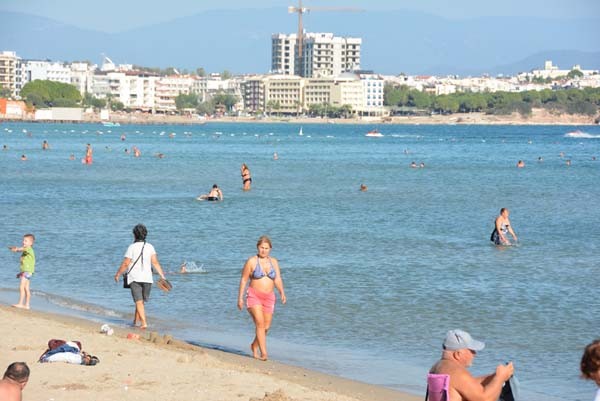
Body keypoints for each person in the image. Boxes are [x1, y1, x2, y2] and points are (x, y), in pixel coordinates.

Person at [429, 329, 514, 401]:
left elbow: (467, 384)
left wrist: (495, 376)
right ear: (458, 354)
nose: (474, 353)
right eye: (471, 350)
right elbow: (485, 399)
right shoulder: (456, 372)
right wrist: (500, 378)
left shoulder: (438, 367)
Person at [237, 236, 286, 361]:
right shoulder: (252, 261)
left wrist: (282, 292)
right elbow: (244, 279)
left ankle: (254, 345)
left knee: (266, 327)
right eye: (261, 248)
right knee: (260, 323)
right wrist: (240, 298)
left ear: (270, 249)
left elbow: (277, 279)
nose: (263, 250)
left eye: (266, 248)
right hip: (254, 296)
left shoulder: (274, 262)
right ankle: (264, 353)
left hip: (269, 297)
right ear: (257, 248)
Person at [114, 224, 166, 329]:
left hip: (135, 278)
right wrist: (162, 276)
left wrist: (118, 274)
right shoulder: (150, 247)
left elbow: (125, 263)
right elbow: (155, 263)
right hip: (148, 278)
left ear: (135, 235)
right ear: (145, 234)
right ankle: (135, 321)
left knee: (138, 301)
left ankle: (144, 323)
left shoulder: (132, 247)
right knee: (141, 301)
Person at [8, 234, 35, 309]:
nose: (23, 242)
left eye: (26, 241)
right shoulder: (26, 251)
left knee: (21, 287)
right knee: (26, 288)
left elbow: (21, 249)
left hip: (27, 271)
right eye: (23, 240)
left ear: (31, 243)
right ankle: (27, 305)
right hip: (27, 272)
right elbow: (24, 264)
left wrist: (16, 249)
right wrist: (20, 273)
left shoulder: (28, 248)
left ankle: (20, 303)